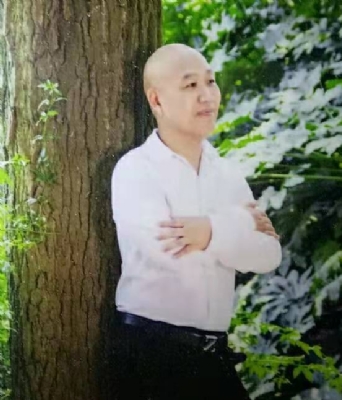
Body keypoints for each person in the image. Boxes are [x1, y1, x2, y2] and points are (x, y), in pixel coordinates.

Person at [110, 43, 282, 400]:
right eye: (190, 85)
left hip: (213, 356)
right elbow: (167, 251)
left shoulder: (227, 174)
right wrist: (240, 225)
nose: (207, 95)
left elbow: (269, 254)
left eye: (210, 81)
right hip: (152, 355)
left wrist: (208, 231)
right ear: (157, 100)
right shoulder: (136, 169)